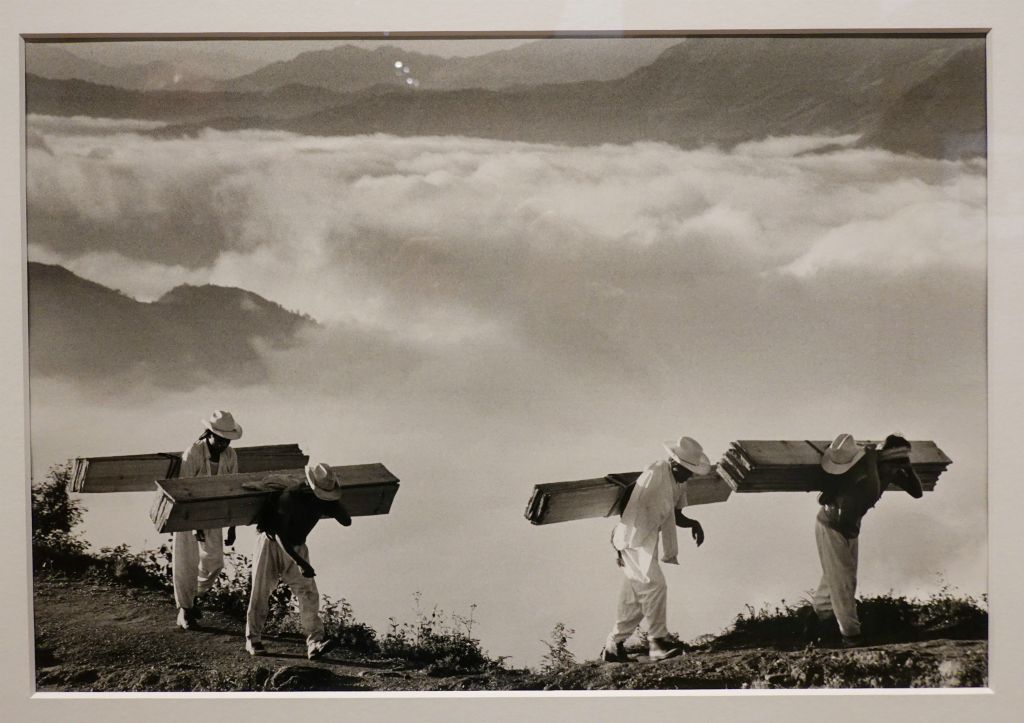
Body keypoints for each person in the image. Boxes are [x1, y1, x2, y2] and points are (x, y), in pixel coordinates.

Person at [601, 435, 710, 663]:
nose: (689, 474)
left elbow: (675, 513)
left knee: (637, 598)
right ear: (674, 463)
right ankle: (658, 644)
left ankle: (613, 646)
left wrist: (693, 524)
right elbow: (630, 499)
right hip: (632, 538)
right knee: (656, 586)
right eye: (686, 469)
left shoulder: (679, 482)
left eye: (691, 471)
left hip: (648, 540)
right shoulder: (655, 472)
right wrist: (618, 542)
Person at [808, 432, 924, 647]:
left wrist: (908, 469)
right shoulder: (866, 477)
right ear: (883, 461)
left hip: (849, 529)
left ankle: (820, 618)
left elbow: (917, 493)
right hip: (831, 526)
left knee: (837, 576)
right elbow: (846, 509)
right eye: (893, 464)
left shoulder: (888, 472)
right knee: (844, 582)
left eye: (900, 465)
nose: (895, 470)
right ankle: (851, 635)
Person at [244, 462, 352, 659]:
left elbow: (346, 521)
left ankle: (315, 642)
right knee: (260, 591)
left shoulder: (324, 500)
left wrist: (334, 504)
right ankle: (253, 639)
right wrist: (302, 563)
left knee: (309, 593)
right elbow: (280, 535)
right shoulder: (290, 497)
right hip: (271, 544)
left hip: (298, 545)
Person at [173, 410, 242, 630]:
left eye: (226, 440)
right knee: (186, 561)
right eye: (219, 439)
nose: (223, 444)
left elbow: (233, 488)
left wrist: (232, 525)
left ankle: (194, 599)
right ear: (209, 434)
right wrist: (194, 526)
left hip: (215, 511)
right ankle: (185, 610)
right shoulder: (193, 452)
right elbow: (185, 488)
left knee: (215, 562)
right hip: (187, 513)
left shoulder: (230, 455)